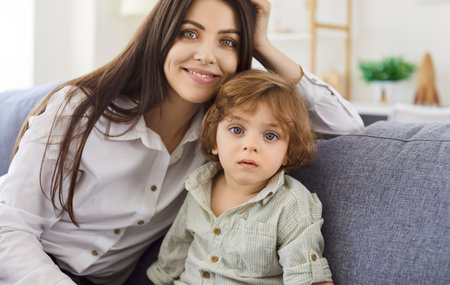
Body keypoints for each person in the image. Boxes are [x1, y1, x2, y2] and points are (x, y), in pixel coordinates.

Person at [0, 0, 362, 284]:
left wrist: (263, 45)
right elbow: (10, 226)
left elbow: (345, 126)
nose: (206, 54)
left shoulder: (224, 133)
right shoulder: (80, 110)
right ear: (161, 35)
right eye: (189, 33)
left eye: (227, 41)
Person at [147, 69, 334, 285]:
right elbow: (174, 253)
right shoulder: (198, 186)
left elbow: (309, 277)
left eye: (270, 136)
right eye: (236, 130)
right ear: (214, 140)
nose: (250, 145)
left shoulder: (291, 205)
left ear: (288, 152)